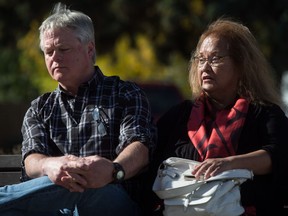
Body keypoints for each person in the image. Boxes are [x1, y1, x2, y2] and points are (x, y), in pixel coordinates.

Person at [0, 2, 156, 216]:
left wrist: (113, 170)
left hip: (115, 200)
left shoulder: (124, 94)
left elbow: (140, 146)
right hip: (59, 208)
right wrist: (50, 166)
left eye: (63, 49)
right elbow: (31, 159)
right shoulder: (39, 108)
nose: (54, 57)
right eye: (48, 52)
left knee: (85, 183)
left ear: (89, 49)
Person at [149, 18, 288, 216]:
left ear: (241, 65)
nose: (205, 67)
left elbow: (278, 156)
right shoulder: (180, 116)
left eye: (215, 59)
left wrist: (228, 163)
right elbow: (150, 160)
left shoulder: (264, 113)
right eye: (201, 59)